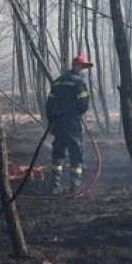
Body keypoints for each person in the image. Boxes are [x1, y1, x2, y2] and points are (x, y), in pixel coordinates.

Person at [46, 54, 92, 194]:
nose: (85, 70)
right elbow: (83, 105)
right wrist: (77, 112)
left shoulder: (57, 81)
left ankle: (55, 185)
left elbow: (49, 104)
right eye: (84, 67)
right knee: (76, 152)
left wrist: (52, 121)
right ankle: (75, 184)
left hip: (57, 122)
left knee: (58, 152)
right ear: (76, 66)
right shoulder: (79, 83)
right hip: (72, 122)